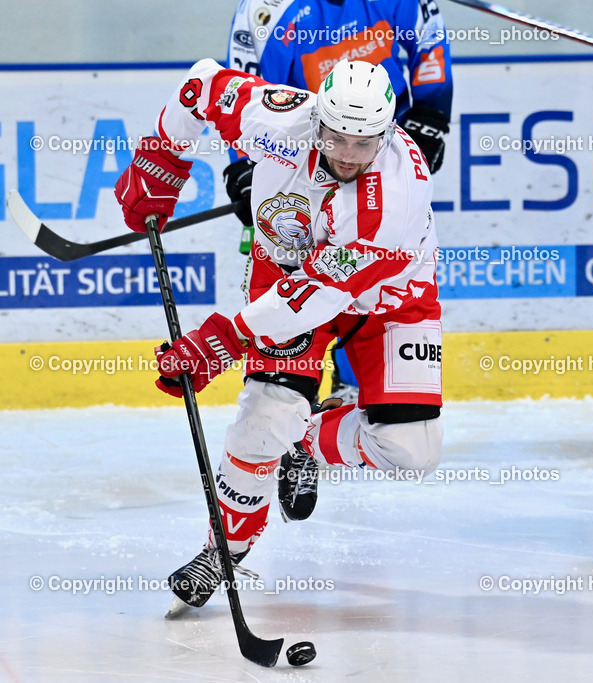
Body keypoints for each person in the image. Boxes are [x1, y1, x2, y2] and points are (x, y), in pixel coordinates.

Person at [114, 57, 443, 607]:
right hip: (285, 272)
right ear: (318, 119)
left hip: (386, 299)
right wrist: (163, 159)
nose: (347, 155)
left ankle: (305, 441)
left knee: (411, 452)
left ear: (386, 134)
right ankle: (225, 550)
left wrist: (222, 338)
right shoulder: (276, 119)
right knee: (264, 419)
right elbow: (201, 86)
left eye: (363, 145)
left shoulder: (397, 198)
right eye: (335, 138)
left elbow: (320, 293)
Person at [226, 0, 454, 403]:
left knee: (368, 272)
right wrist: (244, 165)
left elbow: (428, 39)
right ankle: (290, 393)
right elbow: (249, 92)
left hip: (378, 152)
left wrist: (432, 113)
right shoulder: (266, 10)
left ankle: (351, 386)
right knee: (294, 270)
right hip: (304, 160)